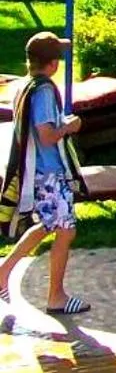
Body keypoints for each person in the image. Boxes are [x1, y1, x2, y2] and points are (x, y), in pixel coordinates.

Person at [0, 33, 90, 316]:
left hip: (36, 172)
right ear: (52, 64)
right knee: (66, 231)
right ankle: (56, 297)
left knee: (49, 225)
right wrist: (70, 126)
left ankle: (2, 273)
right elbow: (47, 135)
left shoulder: (24, 86)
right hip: (48, 174)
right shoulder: (44, 91)